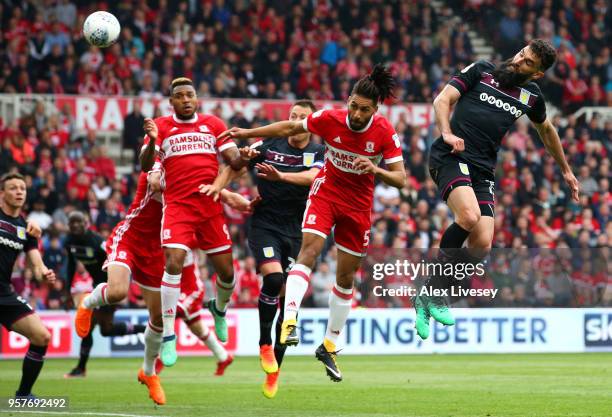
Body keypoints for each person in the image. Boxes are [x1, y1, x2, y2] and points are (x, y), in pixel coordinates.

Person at [221, 65, 406, 382]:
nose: (357, 114)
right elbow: (286, 129)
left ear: (376, 110)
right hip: (326, 192)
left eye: (365, 110)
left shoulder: (385, 132)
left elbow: (400, 179)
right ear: (348, 100)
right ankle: (290, 318)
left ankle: (329, 345)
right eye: (354, 106)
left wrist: (375, 171)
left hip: (358, 206)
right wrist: (248, 133)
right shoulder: (329, 118)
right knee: (309, 251)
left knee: (345, 278)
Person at [417, 39, 580, 339]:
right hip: (451, 155)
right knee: (468, 216)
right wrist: (447, 134)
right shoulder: (481, 71)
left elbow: (546, 130)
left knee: (481, 246)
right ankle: (431, 293)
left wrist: (566, 170)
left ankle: (436, 294)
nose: (519, 60)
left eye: (528, 62)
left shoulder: (532, 96)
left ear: (538, 74)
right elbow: (442, 100)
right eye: (521, 54)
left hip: (483, 169)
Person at [75, 166, 251, 405]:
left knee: (158, 319)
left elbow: (210, 188)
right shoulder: (155, 173)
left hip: (156, 253)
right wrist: (224, 190)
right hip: (130, 239)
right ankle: (87, 303)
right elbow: (158, 179)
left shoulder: (189, 177)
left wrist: (228, 194)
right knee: (118, 291)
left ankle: (148, 373)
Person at [140, 77, 248, 367]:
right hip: (178, 207)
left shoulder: (213, 124)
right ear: (171, 102)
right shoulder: (161, 126)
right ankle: (169, 334)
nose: (186, 99)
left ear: (196, 99)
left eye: (191, 94)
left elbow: (234, 162)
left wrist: (242, 154)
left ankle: (220, 309)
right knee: (173, 262)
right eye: (180, 96)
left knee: (226, 274)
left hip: (209, 208)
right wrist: (151, 141)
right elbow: (145, 165)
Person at [242, 100, 325, 398]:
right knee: (275, 280)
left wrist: (281, 177)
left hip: (298, 230)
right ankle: (264, 343)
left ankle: (275, 370)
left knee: (288, 303)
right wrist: (243, 157)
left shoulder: (318, 151)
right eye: (293, 116)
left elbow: (313, 177)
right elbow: (240, 164)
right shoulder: (270, 144)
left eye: (303, 117)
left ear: (311, 123)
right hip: (265, 223)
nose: (296, 120)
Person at [64, 211, 146, 378]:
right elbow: (71, 266)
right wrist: (67, 292)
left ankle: (81, 368)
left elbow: (114, 258)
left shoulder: (96, 242)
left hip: (110, 287)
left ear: (86, 223)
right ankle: (144, 329)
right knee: (106, 330)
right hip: (97, 287)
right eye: (72, 223)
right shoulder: (69, 242)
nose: (75, 226)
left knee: (90, 326)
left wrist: (118, 284)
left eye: (78, 222)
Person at [0, 173, 56, 398]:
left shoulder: (27, 229)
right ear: (2, 194)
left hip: (5, 292)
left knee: (42, 336)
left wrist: (45, 273)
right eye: (13, 188)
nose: (19, 192)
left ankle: (23, 395)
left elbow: (37, 263)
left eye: (22, 188)